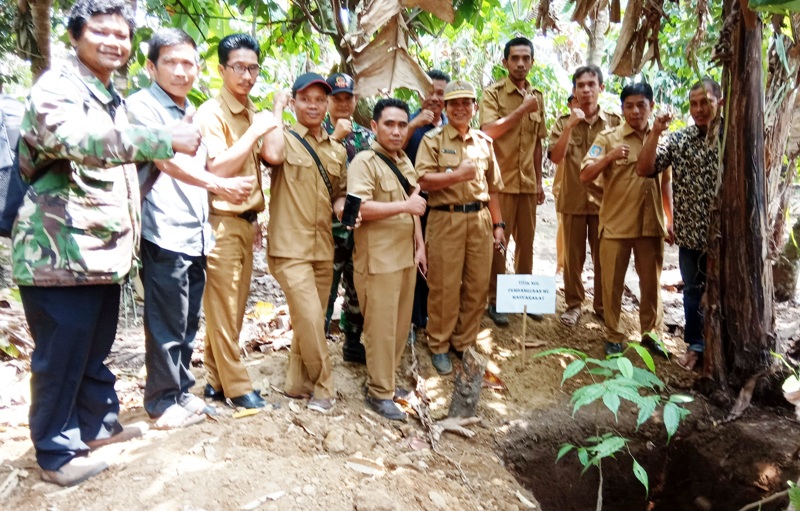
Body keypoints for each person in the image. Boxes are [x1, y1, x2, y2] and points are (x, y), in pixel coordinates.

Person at [12, 0, 201, 486]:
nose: (114, 42)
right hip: (57, 250)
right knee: (61, 353)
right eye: (101, 31)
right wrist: (163, 138)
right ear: (75, 35)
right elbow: (77, 139)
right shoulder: (57, 87)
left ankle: (96, 426)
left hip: (101, 252)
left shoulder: (107, 94)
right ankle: (55, 451)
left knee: (92, 346)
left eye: (121, 34)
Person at [127, 28, 256, 428]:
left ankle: (181, 392)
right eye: (171, 62)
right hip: (162, 227)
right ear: (151, 66)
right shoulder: (142, 106)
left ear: (199, 69)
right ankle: (162, 401)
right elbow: (166, 160)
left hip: (195, 230)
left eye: (188, 63)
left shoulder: (189, 109)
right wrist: (219, 185)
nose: (181, 71)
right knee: (166, 319)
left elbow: (200, 165)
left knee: (186, 320)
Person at [196, 33, 283, 409]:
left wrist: (271, 117)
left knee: (232, 307)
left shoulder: (250, 111)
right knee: (223, 306)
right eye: (239, 68)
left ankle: (216, 380)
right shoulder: (212, 113)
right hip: (220, 220)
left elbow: (271, 158)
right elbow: (217, 167)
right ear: (221, 69)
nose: (247, 76)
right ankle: (236, 385)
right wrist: (253, 131)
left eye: (253, 68)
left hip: (245, 222)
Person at [264, 73, 348, 414]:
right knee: (313, 318)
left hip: (322, 246)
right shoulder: (281, 137)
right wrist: (275, 109)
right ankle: (325, 388)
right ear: (294, 102)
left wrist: (345, 209)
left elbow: (338, 194)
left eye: (319, 99)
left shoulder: (337, 149)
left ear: (327, 104)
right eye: (305, 98)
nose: (313, 105)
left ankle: (297, 382)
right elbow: (270, 154)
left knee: (308, 319)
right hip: (289, 248)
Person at [417, 80, 505, 375]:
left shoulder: (484, 143)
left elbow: (493, 189)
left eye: (466, 102)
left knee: (477, 285)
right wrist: (456, 175)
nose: (460, 108)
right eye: (454, 103)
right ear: (445, 107)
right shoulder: (433, 140)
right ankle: (439, 345)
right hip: (445, 218)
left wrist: (498, 225)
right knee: (443, 285)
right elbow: (423, 181)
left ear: (474, 108)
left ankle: (463, 341)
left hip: (479, 219)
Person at [348, 98, 427, 419]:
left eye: (401, 125)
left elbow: (415, 206)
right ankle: (379, 393)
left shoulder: (403, 161)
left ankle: (389, 382)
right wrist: (405, 208)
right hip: (378, 261)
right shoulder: (364, 162)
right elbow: (360, 209)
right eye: (389, 124)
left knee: (397, 327)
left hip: (405, 257)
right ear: (374, 126)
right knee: (380, 329)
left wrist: (420, 245)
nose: (396, 131)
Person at [636, 78, 722, 371]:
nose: (699, 109)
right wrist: (656, 132)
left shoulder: (732, 139)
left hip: (728, 240)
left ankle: (726, 348)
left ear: (719, 103)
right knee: (693, 293)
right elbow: (644, 168)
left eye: (705, 102)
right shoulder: (680, 139)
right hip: (690, 237)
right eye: (694, 104)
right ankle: (696, 346)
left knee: (726, 293)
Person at [580, 83, 670, 357]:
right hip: (617, 224)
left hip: (651, 224)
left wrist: (669, 218)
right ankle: (613, 334)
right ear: (622, 108)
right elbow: (585, 175)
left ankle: (651, 334)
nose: (635, 111)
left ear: (651, 107)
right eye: (629, 105)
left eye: (641, 105)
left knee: (651, 285)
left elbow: (667, 182)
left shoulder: (662, 138)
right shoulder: (608, 138)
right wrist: (608, 157)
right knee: (612, 284)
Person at [480, 37, 547, 325]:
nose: (520, 63)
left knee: (527, 244)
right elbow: (487, 131)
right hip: (500, 184)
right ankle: (496, 301)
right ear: (505, 62)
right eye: (515, 58)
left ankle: (524, 297)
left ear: (532, 62)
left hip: (527, 184)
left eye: (526, 58)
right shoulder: (493, 94)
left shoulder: (538, 96)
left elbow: (537, 143)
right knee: (499, 244)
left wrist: (539, 182)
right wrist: (521, 110)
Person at [549, 66, 622, 328]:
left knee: (604, 256)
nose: (586, 90)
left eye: (592, 84)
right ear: (574, 90)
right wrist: (570, 126)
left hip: (605, 203)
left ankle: (602, 306)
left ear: (601, 88)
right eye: (581, 85)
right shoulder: (562, 122)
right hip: (573, 200)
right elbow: (555, 157)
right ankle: (574, 304)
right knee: (573, 258)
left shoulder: (614, 122)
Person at [322, 72, 375, 364]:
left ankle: (352, 341)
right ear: (328, 101)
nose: (343, 104)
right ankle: (316, 347)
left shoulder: (367, 137)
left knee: (356, 286)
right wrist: (334, 137)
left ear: (355, 100)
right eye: (337, 98)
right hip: (326, 227)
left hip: (359, 226)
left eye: (348, 98)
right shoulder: (316, 133)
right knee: (324, 288)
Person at [403, 70, 450, 341]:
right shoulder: (407, 121)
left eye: (440, 93)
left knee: (434, 262)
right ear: (419, 93)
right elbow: (392, 146)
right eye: (428, 91)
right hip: (410, 204)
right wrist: (415, 123)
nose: (434, 98)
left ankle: (428, 317)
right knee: (412, 260)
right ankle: (410, 319)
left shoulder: (450, 124)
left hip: (441, 205)